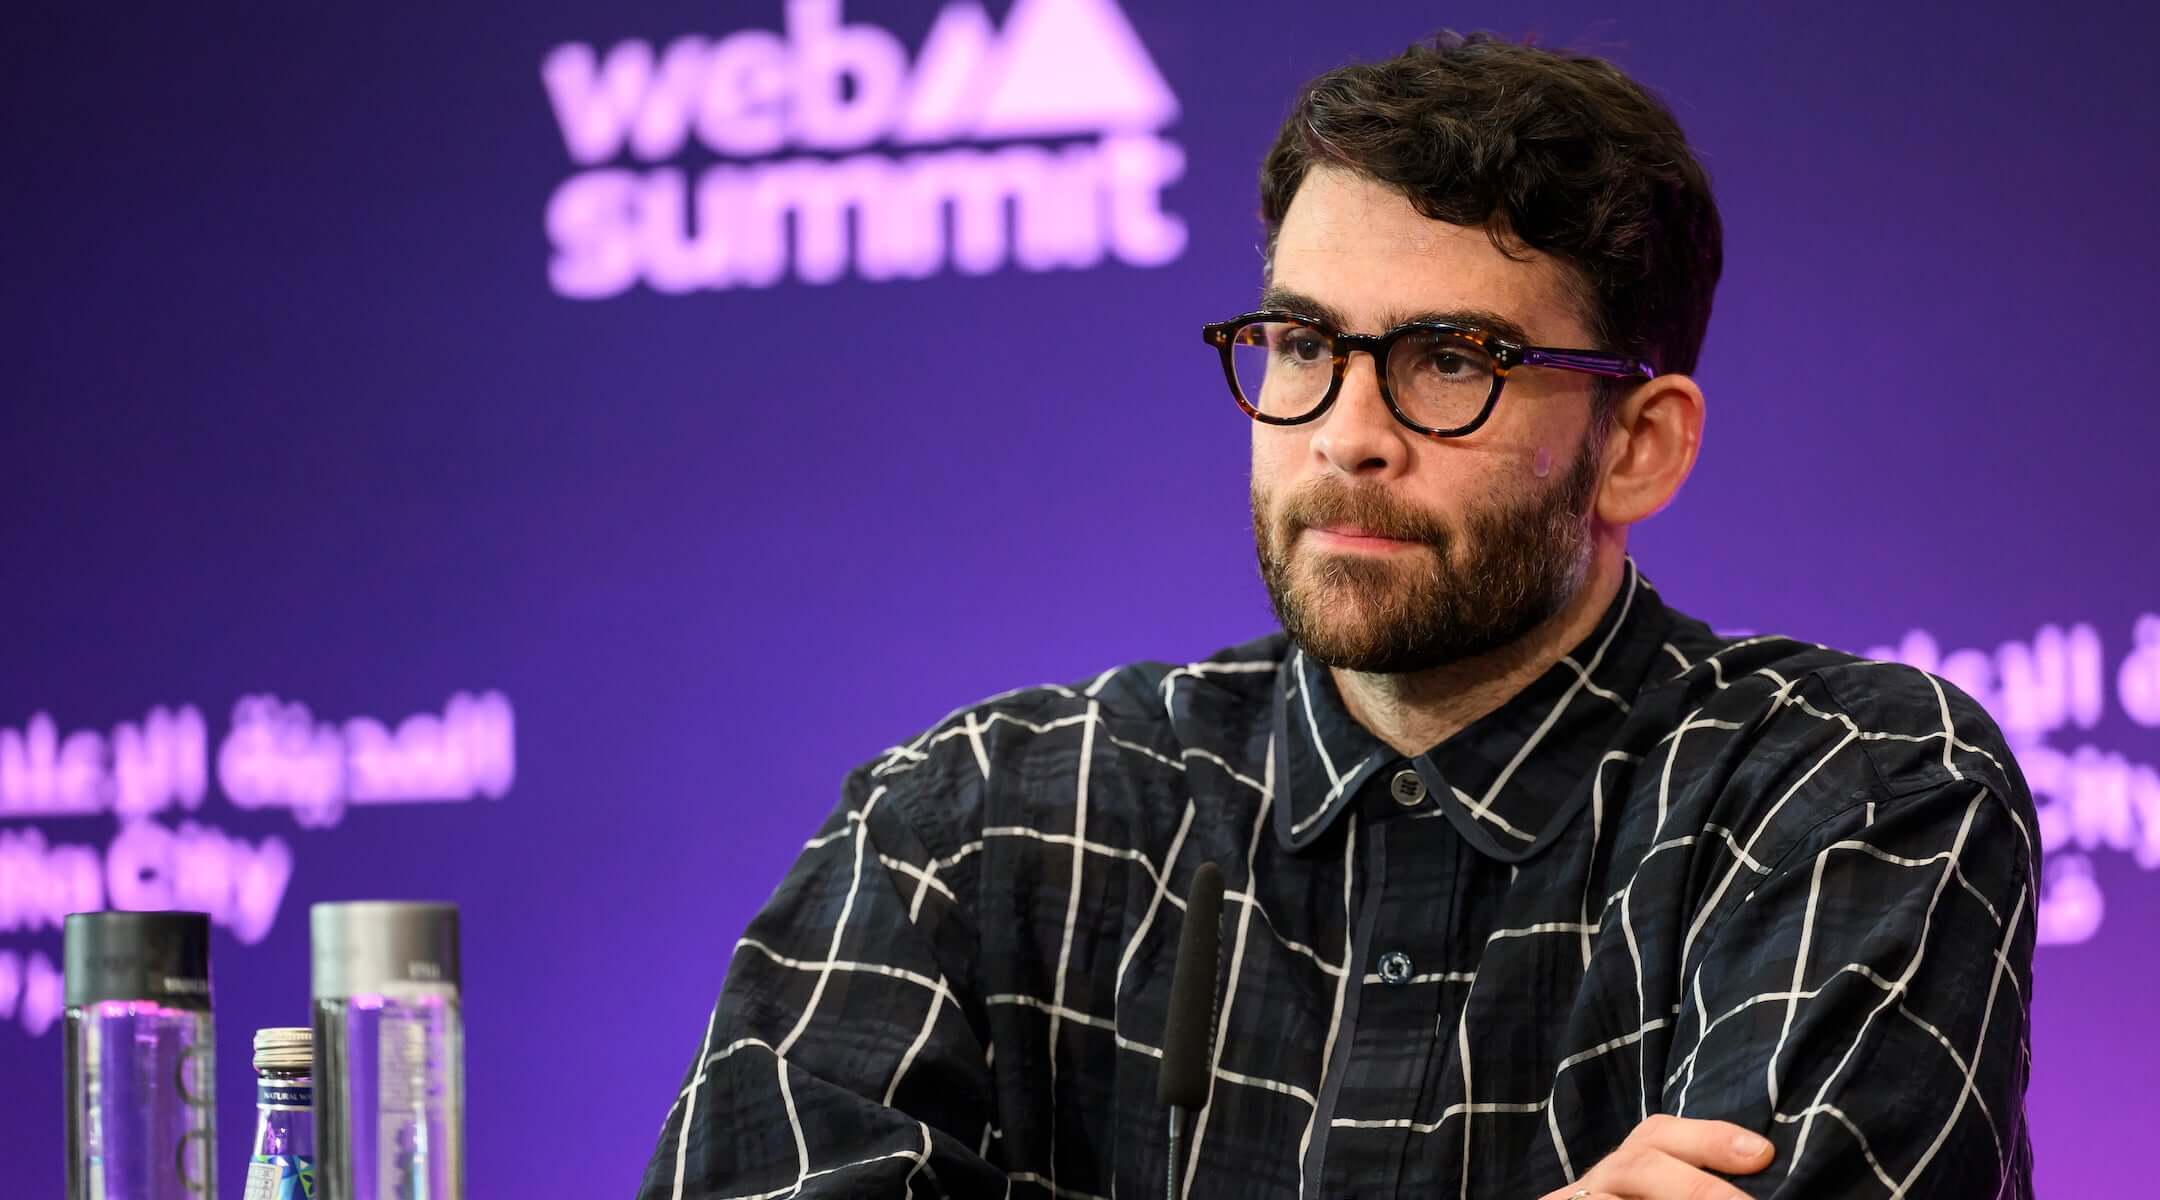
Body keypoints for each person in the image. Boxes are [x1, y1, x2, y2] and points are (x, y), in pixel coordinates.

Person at [636, 31, 2035, 1200]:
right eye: (1304, 344)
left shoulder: (1855, 791)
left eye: (1451, 362)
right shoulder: (985, 822)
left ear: (1639, 446)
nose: (1347, 434)